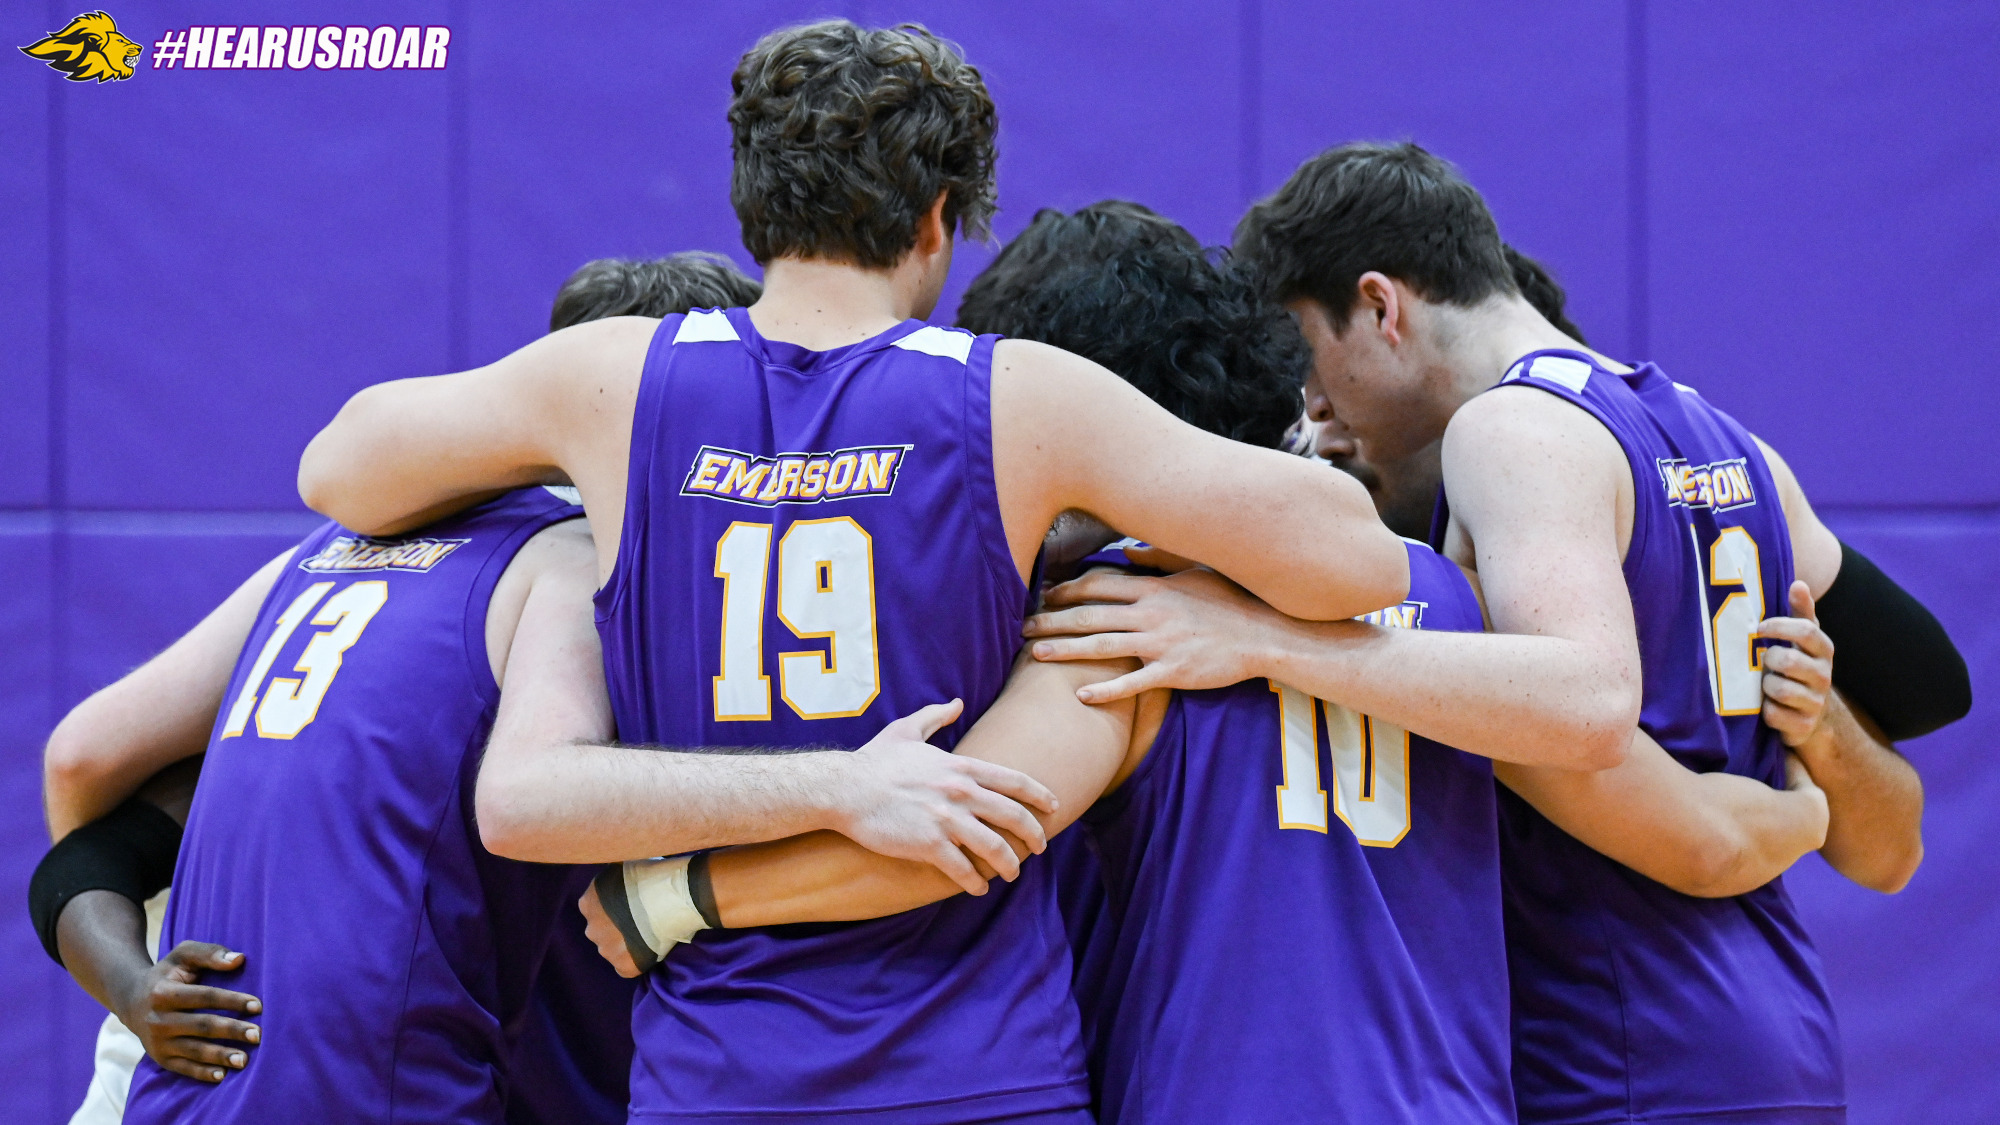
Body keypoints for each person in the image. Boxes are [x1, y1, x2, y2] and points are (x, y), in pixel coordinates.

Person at [297, 20, 1406, 1125]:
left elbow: (340, 471)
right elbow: (1351, 558)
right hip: (975, 1075)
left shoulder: (613, 380)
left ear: (749, 199)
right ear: (938, 219)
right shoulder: (1015, 396)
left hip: (716, 1072)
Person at [583, 203, 1837, 1124]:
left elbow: (951, 832)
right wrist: (1807, 793)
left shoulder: (1116, 620)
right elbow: (1673, 824)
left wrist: (677, 896)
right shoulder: (1451, 604)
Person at [1021, 143, 1935, 1124]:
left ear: (1381, 307)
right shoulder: (1729, 442)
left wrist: (1262, 639)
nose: (1313, 407)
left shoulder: (1508, 436)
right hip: (1778, 1027)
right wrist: (1816, 773)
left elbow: (1589, 710)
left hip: (1617, 1044)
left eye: (1307, 351)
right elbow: (1898, 808)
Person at [31, 251, 1044, 1124]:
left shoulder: (339, 547)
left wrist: (137, 985)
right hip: (365, 1079)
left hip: (174, 1060)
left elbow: (85, 762)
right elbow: (525, 805)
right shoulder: (578, 574)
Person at [1319, 243, 1971, 740]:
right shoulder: (1722, 451)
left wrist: (1817, 735)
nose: (1330, 423)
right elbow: (1934, 690)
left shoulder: (1523, 471)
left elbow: (1714, 839)